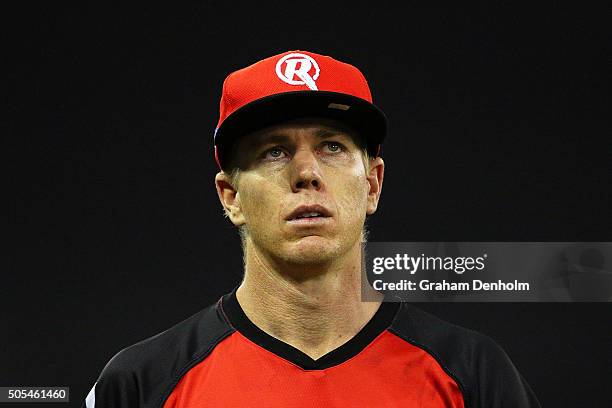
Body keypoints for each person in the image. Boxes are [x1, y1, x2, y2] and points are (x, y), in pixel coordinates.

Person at [83, 50, 541, 407]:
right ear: (231, 197)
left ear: (372, 184)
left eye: (333, 146)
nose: (306, 172)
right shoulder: (142, 381)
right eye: (273, 152)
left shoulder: (472, 373)